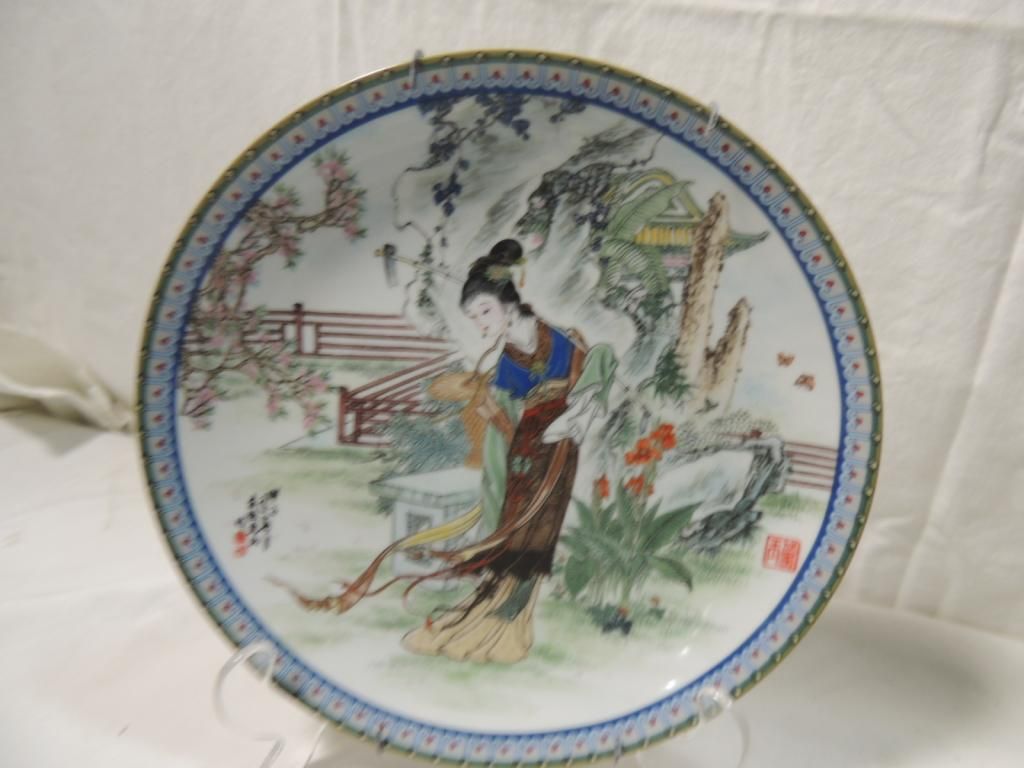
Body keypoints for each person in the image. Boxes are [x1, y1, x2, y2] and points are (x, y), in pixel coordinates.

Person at [280, 239, 616, 664]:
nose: (480, 323)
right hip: (527, 452)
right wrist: (494, 417)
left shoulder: (561, 339)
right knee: (515, 535)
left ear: (508, 302)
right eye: (473, 318)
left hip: (560, 448)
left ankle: (513, 625)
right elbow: (507, 428)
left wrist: (577, 404)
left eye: (484, 311)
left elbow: (596, 367)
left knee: (541, 532)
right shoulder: (507, 363)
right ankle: (495, 621)